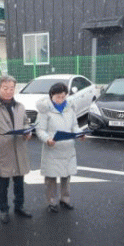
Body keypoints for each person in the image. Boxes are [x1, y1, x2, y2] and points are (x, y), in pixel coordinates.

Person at [0, 75, 33, 224]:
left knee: (19, 182)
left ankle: (19, 206)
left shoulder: (20, 107)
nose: (8, 91)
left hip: (19, 149)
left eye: (12, 88)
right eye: (5, 88)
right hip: (2, 151)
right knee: (3, 184)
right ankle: (3, 210)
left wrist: (27, 131)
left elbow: (25, 122)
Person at [35, 82, 84, 212]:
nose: (61, 100)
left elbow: (74, 126)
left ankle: (65, 200)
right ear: (51, 95)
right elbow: (40, 130)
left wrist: (80, 134)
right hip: (52, 147)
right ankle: (51, 202)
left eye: (63, 96)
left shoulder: (70, 108)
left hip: (67, 148)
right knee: (51, 178)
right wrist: (47, 139)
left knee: (66, 177)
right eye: (58, 97)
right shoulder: (45, 110)